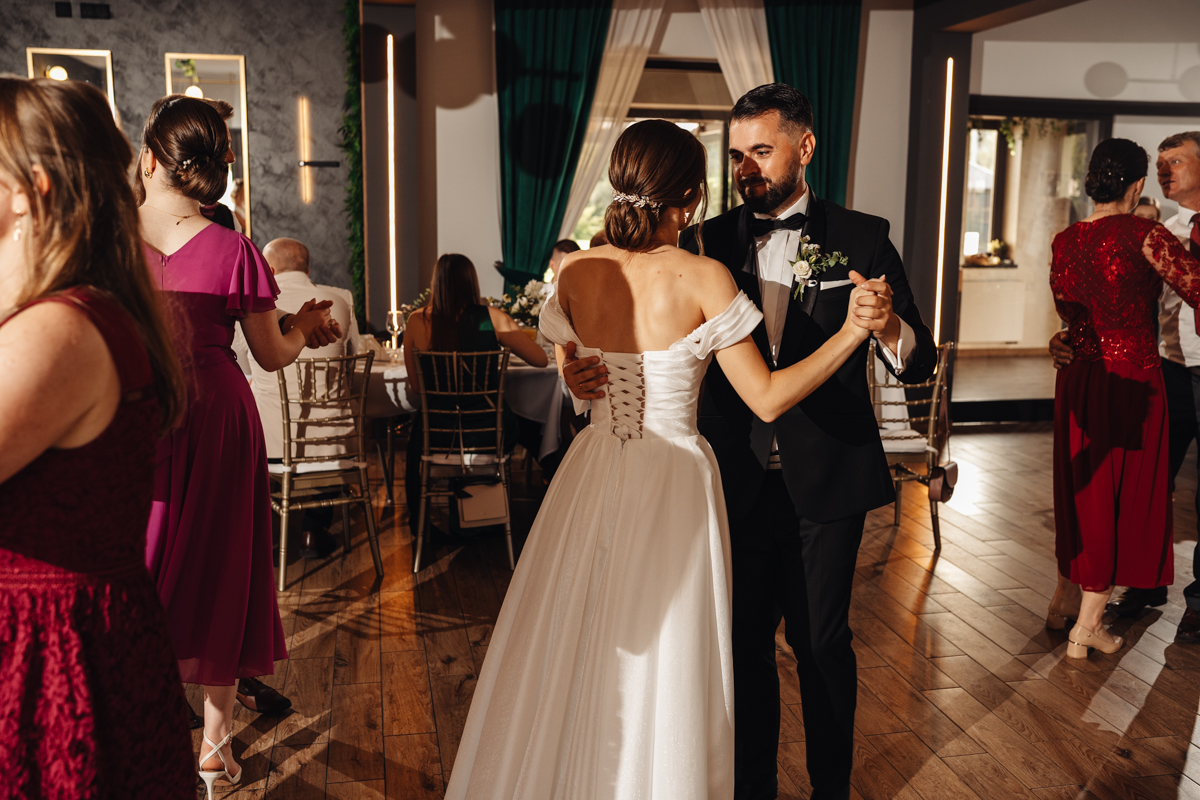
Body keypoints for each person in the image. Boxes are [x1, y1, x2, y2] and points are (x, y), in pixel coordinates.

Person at [445, 119, 883, 800]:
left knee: (583, 631)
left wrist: (573, 369)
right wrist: (852, 333)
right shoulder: (703, 275)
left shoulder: (580, 269)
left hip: (593, 468)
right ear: (691, 196)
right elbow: (767, 398)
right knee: (665, 645)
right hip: (673, 475)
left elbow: (560, 348)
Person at [566, 85, 936, 799]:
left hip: (826, 475)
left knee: (821, 644)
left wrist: (886, 326)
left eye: (760, 152)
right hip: (725, 476)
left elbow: (917, 357)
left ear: (805, 147)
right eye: (735, 155)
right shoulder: (700, 240)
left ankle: (831, 789)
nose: (745, 169)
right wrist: (578, 370)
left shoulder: (862, 236)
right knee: (738, 649)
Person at [136, 94, 335, 799]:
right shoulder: (235, 248)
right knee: (222, 568)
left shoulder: (107, 241)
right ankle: (215, 751)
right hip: (219, 414)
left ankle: (140, 725)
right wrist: (302, 325)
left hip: (135, 413)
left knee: (139, 566)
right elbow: (272, 355)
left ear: (150, 159)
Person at [0, 77, 195, 798]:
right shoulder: (68, 315)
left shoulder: (59, 331)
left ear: (31, 190)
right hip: (76, 641)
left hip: (47, 659)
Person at [1046, 137, 1200, 661]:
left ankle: (1067, 602)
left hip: (1080, 376)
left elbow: (1070, 316)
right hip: (1131, 377)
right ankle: (1087, 626)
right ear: (1136, 185)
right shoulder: (1146, 235)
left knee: (1084, 492)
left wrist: (1064, 342)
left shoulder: (1065, 240)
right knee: (1121, 494)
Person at [232, 237, 365, 559]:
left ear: (269, 269)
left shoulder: (252, 308)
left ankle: (261, 536)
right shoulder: (338, 301)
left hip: (274, 449)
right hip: (335, 446)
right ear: (307, 270)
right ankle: (312, 531)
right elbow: (354, 359)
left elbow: (242, 365)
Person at [402, 254, 549, 515]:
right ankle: (488, 504)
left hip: (437, 433)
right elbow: (540, 359)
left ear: (436, 283)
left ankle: (464, 509)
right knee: (527, 425)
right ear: (471, 282)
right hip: (486, 432)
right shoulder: (491, 318)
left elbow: (416, 387)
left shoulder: (416, 320)